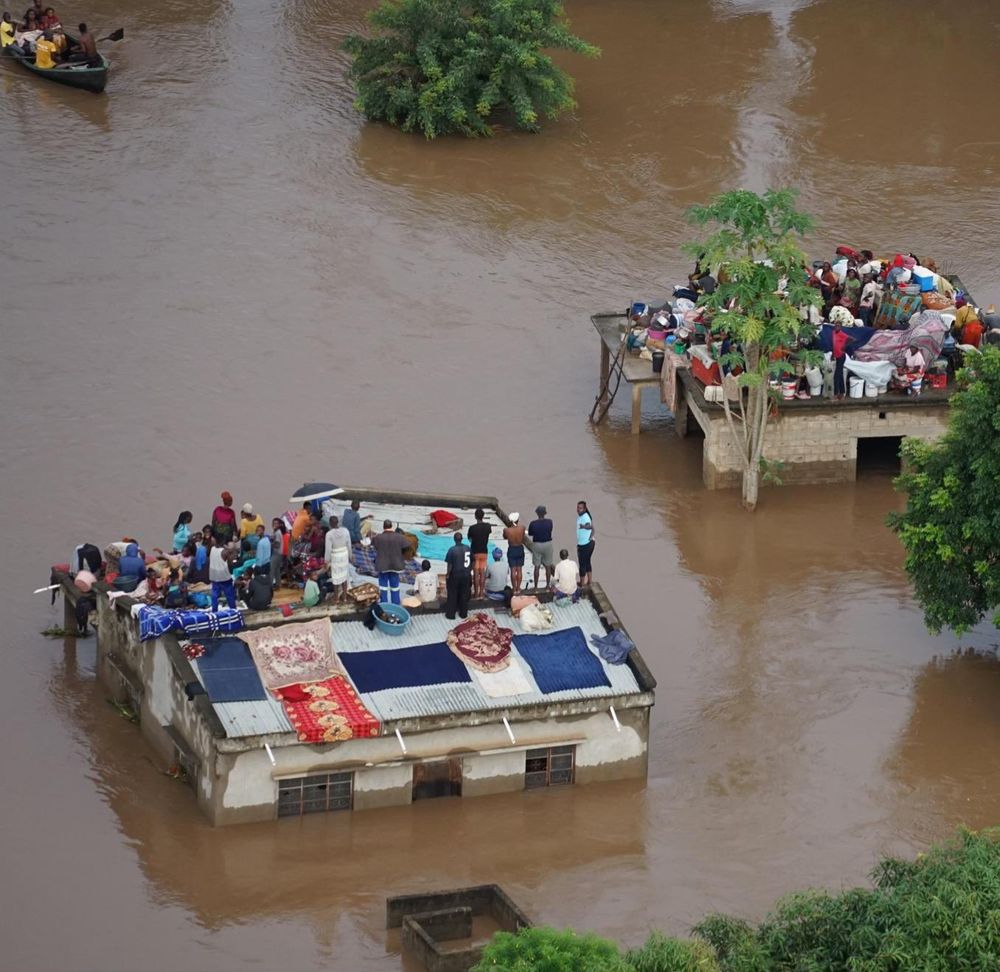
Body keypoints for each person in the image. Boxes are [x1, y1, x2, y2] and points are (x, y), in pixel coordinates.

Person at [371, 520, 408, 604]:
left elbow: (374, 547)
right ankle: (395, 603)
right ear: (392, 526)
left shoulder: (378, 537)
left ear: (383, 527)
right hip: (396, 565)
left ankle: (384, 603)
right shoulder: (400, 537)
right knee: (395, 586)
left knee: (383, 586)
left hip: (383, 565)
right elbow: (406, 547)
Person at [324, 514, 352, 603]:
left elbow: (328, 549)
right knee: (344, 576)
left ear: (330, 524)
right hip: (344, 555)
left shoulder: (329, 534)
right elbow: (349, 544)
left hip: (335, 556)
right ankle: (344, 597)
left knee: (335, 577)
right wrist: (350, 556)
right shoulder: (345, 531)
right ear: (338, 523)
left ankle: (336, 598)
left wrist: (326, 560)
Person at [444, 532, 472, 620]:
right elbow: (473, 560)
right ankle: (463, 613)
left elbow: (450, 565)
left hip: (455, 575)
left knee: (452, 594)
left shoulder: (452, 550)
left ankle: (451, 614)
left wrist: (448, 574)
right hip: (466, 574)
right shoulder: (468, 548)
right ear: (461, 539)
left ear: (454, 539)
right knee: (464, 594)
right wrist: (469, 570)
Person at [528, 505, 555, 590]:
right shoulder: (550, 522)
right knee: (548, 566)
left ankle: (536, 586)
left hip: (537, 544)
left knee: (537, 566)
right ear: (545, 513)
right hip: (547, 544)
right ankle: (547, 585)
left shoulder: (533, 523)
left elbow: (530, 533)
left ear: (537, 513)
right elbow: (550, 530)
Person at [467, 507, 491, 600]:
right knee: (482, 573)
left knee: (476, 574)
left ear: (475, 517)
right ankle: (482, 593)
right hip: (484, 552)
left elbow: (470, 539)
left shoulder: (472, 528)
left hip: (475, 552)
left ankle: (476, 594)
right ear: (483, 516)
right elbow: (488, 534)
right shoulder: (488, 526)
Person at [502, 512, 526, 592]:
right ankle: (518, 588)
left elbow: (505, 537)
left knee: (513, 569)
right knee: (519, 569)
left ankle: (514, 588)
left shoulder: (506, 530)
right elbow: (523, 536)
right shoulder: (522, 528)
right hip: (519, 548)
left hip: (512, 548)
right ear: (517, 520)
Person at [209, 541, 236, 611]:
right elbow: (230, 564)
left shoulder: (212, 549)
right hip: (224, 577)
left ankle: (214, 611)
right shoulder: (225, 551)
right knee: (230, 595)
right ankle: (233, 611)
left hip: (214, 576)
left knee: (214, 596)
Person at [831, 322, 854, 400]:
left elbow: (852, 339)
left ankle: (835, 394)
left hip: (841, 356)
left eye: (838, 326)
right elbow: (834, 344)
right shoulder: (833, 333)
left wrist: (844, 346)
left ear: (840, 327)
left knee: (836, 376)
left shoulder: (842, 334)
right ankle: (841, 393)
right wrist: (832, 355)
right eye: (836, 326)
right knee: (840, 375)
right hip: (836, 356)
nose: (837, 327)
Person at [575, 501, 594, 586]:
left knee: (582, 564)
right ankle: (589, 581)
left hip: (585, 545)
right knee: (587, 562)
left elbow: (589, 526)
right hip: (589, 543)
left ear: (585, 509)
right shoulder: (582, 516)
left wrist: (584, 527)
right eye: (578, 508)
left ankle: (582, 583)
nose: (578, 510)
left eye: (580, 508)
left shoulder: (585, 518)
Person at [270, 518, 287, 587]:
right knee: (277, 570)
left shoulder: (277, 533)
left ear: (279, 525)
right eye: (274, 523)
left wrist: (270, 544)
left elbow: (277, 544)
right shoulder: (275, 532)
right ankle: (278, 584)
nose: (275, 525)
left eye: (276, 523)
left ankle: (270, 585)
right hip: (279, 554)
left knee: (271, 569)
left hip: (277, 553)